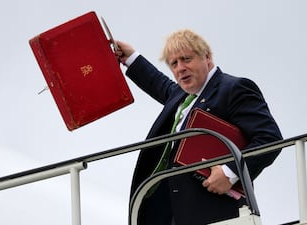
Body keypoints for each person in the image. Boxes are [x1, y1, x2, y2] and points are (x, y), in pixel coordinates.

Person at [115, 29, 282, 225]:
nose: (180, 68)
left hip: (212, 213)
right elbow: (159, 84)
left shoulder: (233, 88)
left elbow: (270, 139)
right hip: (166, 213)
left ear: (207, 57)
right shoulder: (181, 96)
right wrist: (131, 58)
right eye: (174, 63)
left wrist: (230, 172)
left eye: (186, 59)